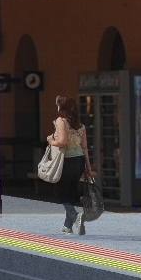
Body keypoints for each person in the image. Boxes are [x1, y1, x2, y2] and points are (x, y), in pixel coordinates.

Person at [48, 95, 91, 235]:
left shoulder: (61, 121)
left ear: (61, 106)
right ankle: (67, 226)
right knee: (71, 193)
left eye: (57, 104)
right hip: (79, 160)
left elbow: (62, 142)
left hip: (66, 161)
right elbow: (84, 147)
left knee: (61, 193)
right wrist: (88, 166)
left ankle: (75, 216)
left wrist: (50, 141)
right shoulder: (80, 125)